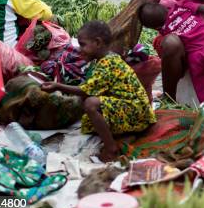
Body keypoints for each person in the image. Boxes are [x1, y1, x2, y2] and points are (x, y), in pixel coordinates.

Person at [41, 21, 157, 162]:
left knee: (91, 103)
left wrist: (57, 86)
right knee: (89, 107)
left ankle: (110, 148)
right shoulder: (104, 59)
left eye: (83, 44)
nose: (80, 49)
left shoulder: (108, 63)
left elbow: (86, 91)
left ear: (97, 42)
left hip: (136, 111)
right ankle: (124, 133)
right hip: (132, 109)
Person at [138, 1, 204, 114]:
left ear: (154, 27)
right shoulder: (181, 6)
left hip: (195, 55)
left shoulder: (165, 30)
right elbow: (200, 7)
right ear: (165, 9)